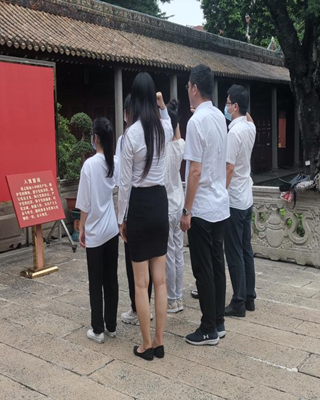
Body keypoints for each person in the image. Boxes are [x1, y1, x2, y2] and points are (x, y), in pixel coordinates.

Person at [118, 72, 173, 360]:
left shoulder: (131, 135)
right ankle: (160, 341)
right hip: (160, 202)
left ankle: (145, 344)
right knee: (160, 281)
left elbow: (124, 184)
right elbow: (167, 118)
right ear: (153, 97)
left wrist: (121, 219)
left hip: (139, 205)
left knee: (141, 283)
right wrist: (161, 104)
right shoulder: (164, 128)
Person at [180, 64, 229, 346]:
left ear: (195, 88)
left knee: (203, 268)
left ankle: (208, 327)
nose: (188, 90)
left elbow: (195, 172)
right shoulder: (220, 117)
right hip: (220, 203)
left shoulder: (196, 121)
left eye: (188, 86)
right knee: (217, 263)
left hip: (202, 206)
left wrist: (187, 210)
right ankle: (218, 322)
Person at [76, 117, 120, 344]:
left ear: (95, 138)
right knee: (111, 278)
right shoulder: (114, 162)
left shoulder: (90, 165)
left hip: (95, 232)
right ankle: (111, 325)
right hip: (111, 229)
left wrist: (81, 227)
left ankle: (98, 329)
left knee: (96, 281)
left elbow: (84, 203)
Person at [118, 94, 154, 326]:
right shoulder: (155, 132)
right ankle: (146, 306)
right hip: (155, 204)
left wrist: (121, 217)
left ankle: (137, 308)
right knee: (151, 264)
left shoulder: (127, 138)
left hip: (134, 207)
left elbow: (124, 182)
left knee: (135, 266)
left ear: (126, 113)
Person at [223, 85, 257, 317]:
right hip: (247, 196)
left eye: (228, 103)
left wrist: (221, 193)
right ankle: (249, 297)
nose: (225, 107)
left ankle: (238, 301)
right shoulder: (250, 127)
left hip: (234, 198)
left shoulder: (233, 133)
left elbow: (228, 168)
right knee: (246, 249)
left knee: (234, 251)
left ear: (235, 106)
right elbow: (249, 118)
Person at [164, 99, 186, 313]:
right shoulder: (179, 146)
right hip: (179, 204)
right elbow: (177, 135)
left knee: (169, 254)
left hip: (166, 206)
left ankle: (171, 299)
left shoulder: (161, 150)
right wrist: (175, 119)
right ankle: (178, 296)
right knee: (178, 251)